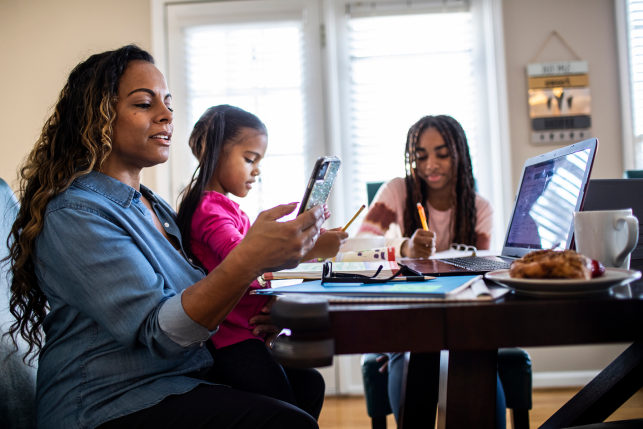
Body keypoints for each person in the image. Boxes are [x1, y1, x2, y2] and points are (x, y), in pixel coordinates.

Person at [6, 45, 327, 429]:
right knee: (288, 422)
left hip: (177, 376)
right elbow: (162, 332)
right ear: (97, 117)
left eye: (169, 104)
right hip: (107, 404)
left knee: (306, 385)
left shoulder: (155, 208)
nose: (166, 116)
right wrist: (248, 260)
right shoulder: (75, 213)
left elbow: (193, 299)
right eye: (144, 103)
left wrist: (253, 316)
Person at [175, 104, 347, 406]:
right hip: (230, 341)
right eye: (249, 158)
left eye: (259, 161)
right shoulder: (208, 209)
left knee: (310, 385)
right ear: (215, 152)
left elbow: (257, 257)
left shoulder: (226, 208)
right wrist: (313, 247)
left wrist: (304, 240)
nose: (256, 169)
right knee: (286, 408)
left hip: (247, 333)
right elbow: (245, 258)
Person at [356, 115, 506, 429]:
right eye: (421, 156)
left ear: (459, 154)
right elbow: (358, 249)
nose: (431, 165)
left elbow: (480, 278)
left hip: (458, 315)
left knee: (473, 351)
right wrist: (405, 248)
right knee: (410, 344)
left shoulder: (480, 209)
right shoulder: (397, 191)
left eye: (442, 153)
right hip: (408, 312)